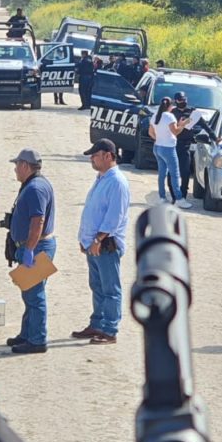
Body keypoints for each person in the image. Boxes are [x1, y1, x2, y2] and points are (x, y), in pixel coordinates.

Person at [73, 139, 131, 345]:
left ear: (108, 156)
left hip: (107, 244)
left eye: (95, 155)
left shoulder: (117, 182)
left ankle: (109, 329)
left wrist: (98, 239)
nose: (92, 159)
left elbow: (113, 217)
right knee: (97, 286)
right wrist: (85, 238)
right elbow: (93, 210)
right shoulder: (102, 178)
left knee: (110, 289)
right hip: (94, 243)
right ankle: (97, 323)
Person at [6, 148, 57, 354]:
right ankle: (27, 334)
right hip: (34, 247)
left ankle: (37, 340)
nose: (15, 169)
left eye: (17, 165)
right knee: (29, 293)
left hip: (36, 248)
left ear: (25, 166)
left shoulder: (35, 189)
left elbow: (38, 221)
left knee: (35, 296)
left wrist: (29, 249)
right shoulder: (34, 184)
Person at [149, 97, 192, 209]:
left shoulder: (155, 116)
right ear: (170, 106)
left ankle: (162, 197)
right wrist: (182, 124)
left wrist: (159, 138)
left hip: (157, 146)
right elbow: (176, 131)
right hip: (168, 148)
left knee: (162, 174)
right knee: (175, 174)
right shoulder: (169, 116)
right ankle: (179, 199)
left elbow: (150, 132)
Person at [169, 91, 212, 200]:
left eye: (184, 100)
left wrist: (215, 138)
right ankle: (174, 194)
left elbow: (205, 126)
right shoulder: (172, 113)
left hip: (185, 145)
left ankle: (183, 194)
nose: (183, 102)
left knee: (186, 171)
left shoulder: (193, 112)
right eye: (180, 100)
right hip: (173, 145)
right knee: (171, 172)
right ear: (176, 101)